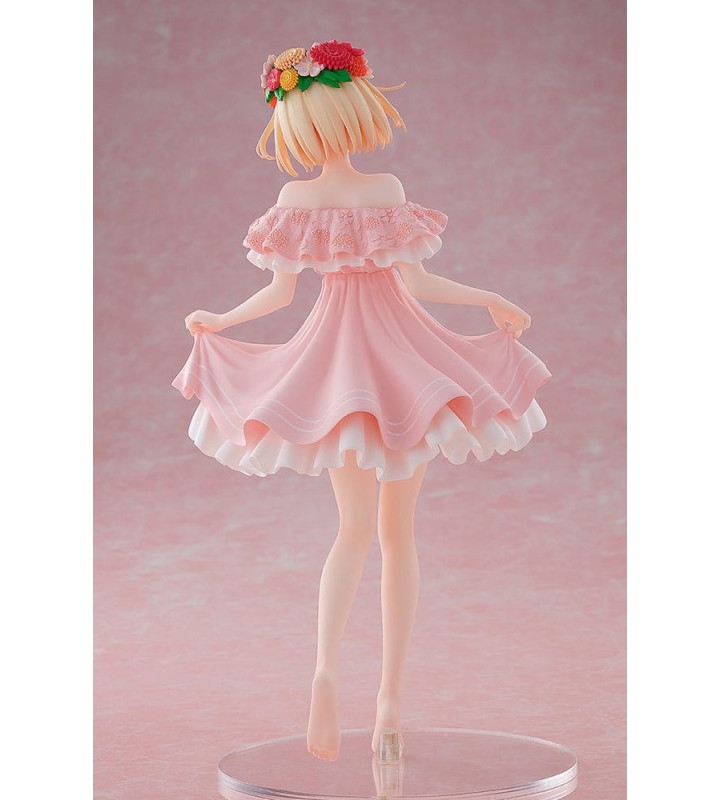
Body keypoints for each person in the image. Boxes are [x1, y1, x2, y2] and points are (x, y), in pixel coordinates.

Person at [171, 40, 551, 764]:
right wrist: (489, 298)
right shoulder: (383, 189)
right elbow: (419, 286)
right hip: (402, 359)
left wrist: (222, 318)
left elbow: (278, 294)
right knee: (397, 535)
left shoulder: (296, 201)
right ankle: (389, 705)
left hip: (339, 360)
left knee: (351, 532)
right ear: (358, 111)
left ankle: (325, 672)